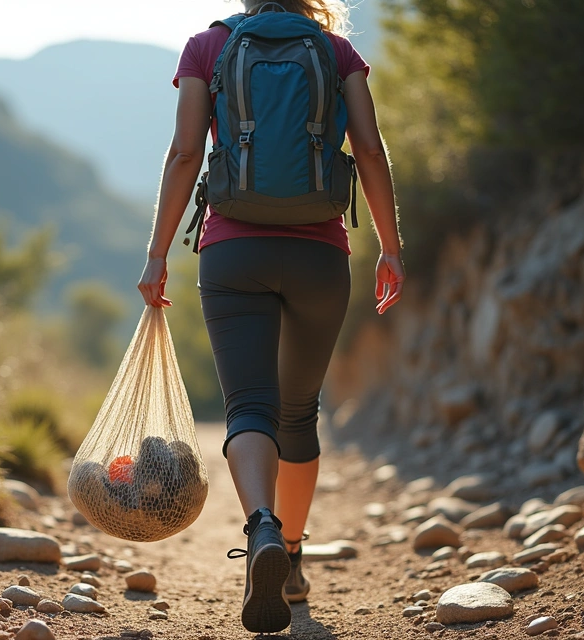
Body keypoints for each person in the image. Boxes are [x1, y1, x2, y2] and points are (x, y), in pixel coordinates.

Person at [137, 0, 404, 633]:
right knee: (298, 411)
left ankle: (262, 528)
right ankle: (292, 557)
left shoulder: (208, 47)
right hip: (319, 255)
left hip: (233, 252)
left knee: (249, 409)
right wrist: (391, 247)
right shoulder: (336, 52)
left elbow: (182, 154)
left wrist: (156, 255)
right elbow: (368, 150)